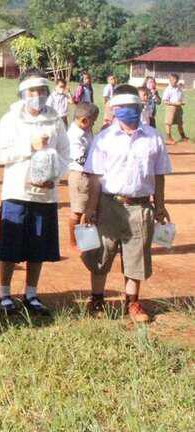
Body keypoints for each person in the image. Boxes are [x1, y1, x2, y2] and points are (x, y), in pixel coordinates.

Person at [81, 85, 171, 322]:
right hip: (109, 204)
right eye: (122, 107)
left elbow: (159, 174)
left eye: (132, 106)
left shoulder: (153, 137)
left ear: (140, 107)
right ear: (114, 109)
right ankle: (97, 299)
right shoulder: (104, 138)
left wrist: (160, 205)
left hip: (140, 206)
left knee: (136, 255)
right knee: (101, 253)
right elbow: (94, 176)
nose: (128, 110)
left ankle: (132, 303)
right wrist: (90, 208)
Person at [0, 72, 70, 316]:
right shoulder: (11, 119)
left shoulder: (55, 120)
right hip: (17, 191)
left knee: (38, 247)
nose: (38, 96)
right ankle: (4, 294)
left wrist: (53, 178)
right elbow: (0, 155)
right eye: (32, 91)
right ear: (23, 94)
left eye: (42, 91)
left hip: (45, 194)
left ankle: (31, 294)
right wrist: (29, 146)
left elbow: (65, 154)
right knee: (10, 246)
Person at [66, 102, 99, 249]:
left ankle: (85, 241)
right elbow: (81, 159)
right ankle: (73, 242)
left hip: (88, 175)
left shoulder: (86, 131)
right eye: (93, 121)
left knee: (88, 209)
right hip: (80, 175)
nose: (94, 124)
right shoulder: (75, 136)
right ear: (84, 120)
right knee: (78, 211)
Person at [162, 73, 187, 144]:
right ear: (170, 80)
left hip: (179, 108)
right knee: (168, 123)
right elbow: (165, 101)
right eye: (172, 79)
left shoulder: (179, 88)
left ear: (177, 80)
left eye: (175, 79)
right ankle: (168, 138)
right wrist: (174, 103)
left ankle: (183, 137)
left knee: (180, 123)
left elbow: (181, 97)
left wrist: (182, 102)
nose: (174, 81)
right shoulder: (168, 89)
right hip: (171, 108)